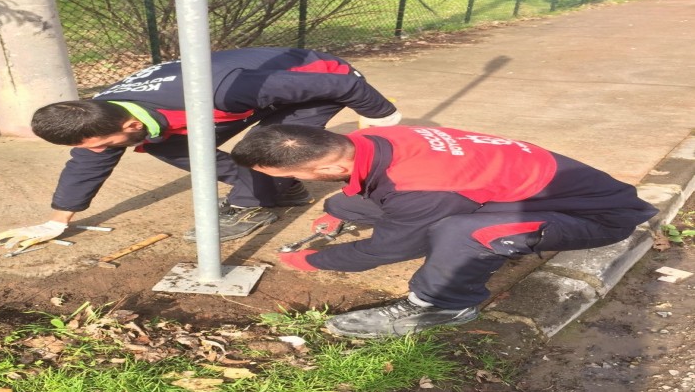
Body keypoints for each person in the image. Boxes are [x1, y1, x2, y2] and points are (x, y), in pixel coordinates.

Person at [230, 124, 658, 338]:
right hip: (537, 191)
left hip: (598, 216)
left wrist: (308, 260)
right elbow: (377, 187)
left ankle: (442, 305)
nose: (286, 183)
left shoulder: (423, 186)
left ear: (327, 166)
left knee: (461, 232)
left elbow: (385, 250)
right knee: (389, 204)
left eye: (288, 176)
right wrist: (337, 212)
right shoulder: (371, 138)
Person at [0, 47, 400, 250]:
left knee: (266, 148)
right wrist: (55, 222)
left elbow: (343, 85)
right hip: (234, 99)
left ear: (129, 124)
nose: (99, 151)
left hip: (315, 80)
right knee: (166, 146)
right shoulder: (100, 115)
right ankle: (280, 189)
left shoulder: (218, 92)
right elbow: (86, 163)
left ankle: (253, 202)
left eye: (104, 144)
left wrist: (382, 124)